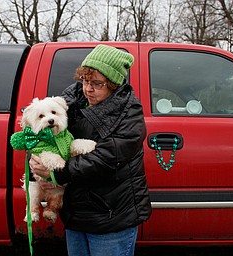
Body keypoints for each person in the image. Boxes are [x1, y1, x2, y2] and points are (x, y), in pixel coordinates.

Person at [29, 44, 152, 256]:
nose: (88, 89)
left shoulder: (130, 115)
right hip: (77, 215)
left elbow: (104, 160)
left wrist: (56, 171)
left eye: (97, 83)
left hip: (110, 216)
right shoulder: (70, 102)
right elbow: (43, 133)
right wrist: (38, 156)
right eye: (85, 81)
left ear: (114, 84)